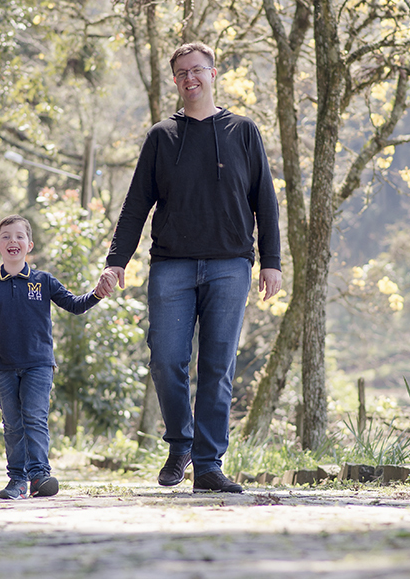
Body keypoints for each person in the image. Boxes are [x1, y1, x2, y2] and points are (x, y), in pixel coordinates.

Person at [96, 42, 281, 494]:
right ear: (175, 80)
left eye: (197, 70)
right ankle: (180, 444)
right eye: (181, 73)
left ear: (213, 74)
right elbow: (136, 204)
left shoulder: (243, 131)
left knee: (218, 366)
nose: (190, 78)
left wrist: (271, 262)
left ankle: (209, 464)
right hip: (171, 265)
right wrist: (116, 261)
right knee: (165, 360)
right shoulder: (162, 136)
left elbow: (265, 200)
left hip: (230, 264)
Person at [0, 215, 103, 500]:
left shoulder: (43, 281)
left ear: (29, 245)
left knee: (35, 418)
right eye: (6, 236)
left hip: (39, 363)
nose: (13, 241)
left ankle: (39, 476)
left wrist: (97, 294)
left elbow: (74, 305)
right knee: (13, 424)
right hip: (3, 366)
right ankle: (17, 481)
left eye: (19, 236)